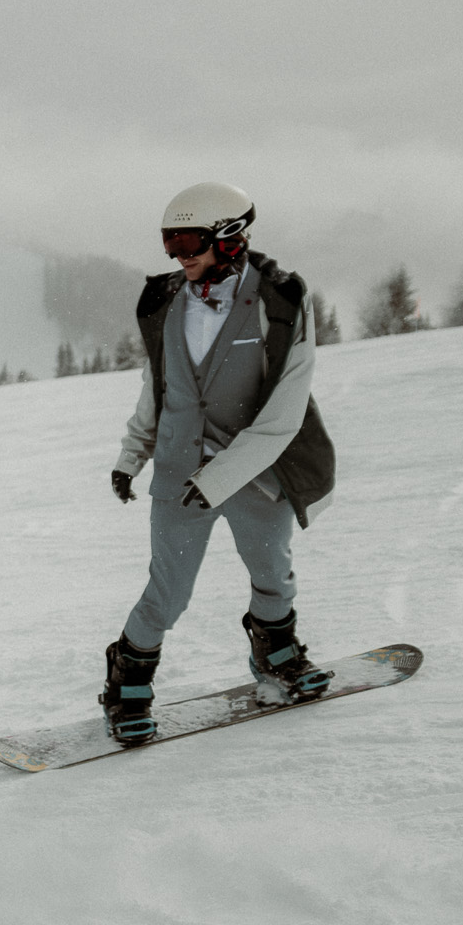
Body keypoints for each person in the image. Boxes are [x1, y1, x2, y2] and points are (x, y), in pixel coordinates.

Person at [103, 182, 338, 744]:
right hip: (180, 474)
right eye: (170, 243)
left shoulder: (280, 302)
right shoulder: (164, 301)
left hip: (257, 471)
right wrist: (132, 455)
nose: (180, 256)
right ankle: (126, 685)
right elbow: (158, 389)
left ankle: (276, 657)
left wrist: (222, 478)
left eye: (191, 240)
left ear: (230, 238)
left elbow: (285, 410)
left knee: (272, 575)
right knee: (168, 592)